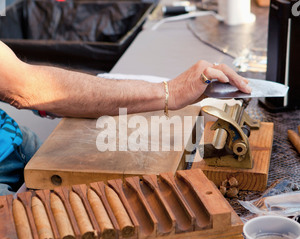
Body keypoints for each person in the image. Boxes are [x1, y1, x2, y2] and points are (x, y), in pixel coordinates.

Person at [0, 40, 251, 196]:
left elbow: (21, 80)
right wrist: (169, 92)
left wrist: (55, 100)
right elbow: (22, 86)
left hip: (16, 143)